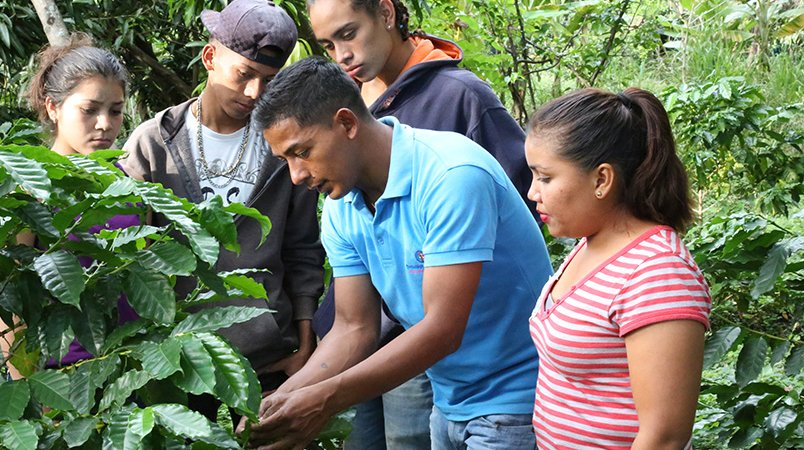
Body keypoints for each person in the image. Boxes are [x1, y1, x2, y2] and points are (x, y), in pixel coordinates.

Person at [247, 57, 551, 450]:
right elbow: (354, 329)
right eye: (285, 160)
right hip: (449, 403)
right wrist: (280, 401)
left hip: (516, 401)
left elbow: (442, 331)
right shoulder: (342, 204)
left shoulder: (450, 176)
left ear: (346, 123)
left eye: (301, 151)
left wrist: (325, 400)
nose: (296, 175)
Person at [305, 1, 537, 445]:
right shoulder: (346, 115)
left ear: (387, 14)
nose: (342, 55)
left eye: (348, 34)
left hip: (458, 345)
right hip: (384, 332)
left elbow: (519, 201)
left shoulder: (458, 97)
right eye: (328, 45)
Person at [121, 0, 325, 420]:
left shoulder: (284, 148)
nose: (254, 93)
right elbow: (128, 260)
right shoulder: (152, 145)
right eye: (244, 75)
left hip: (267, 361)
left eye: (268, 81)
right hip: (174, 366)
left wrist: (305, 345)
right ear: (210, 57)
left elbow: (302, 249)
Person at [524, 88, 712, 449]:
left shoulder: (657, 273)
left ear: (602, 180)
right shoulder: (590, 242)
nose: (534, 192)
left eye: (545, 177)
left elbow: (664, 437)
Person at [0, 34, 138, 377]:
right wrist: (29, 388)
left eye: (115, 111)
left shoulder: (131, 185)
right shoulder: (28, 188)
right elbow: (8, 303)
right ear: (53, 107)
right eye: (89, 110)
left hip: (132, 370)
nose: (105, 124)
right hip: (61, 377)